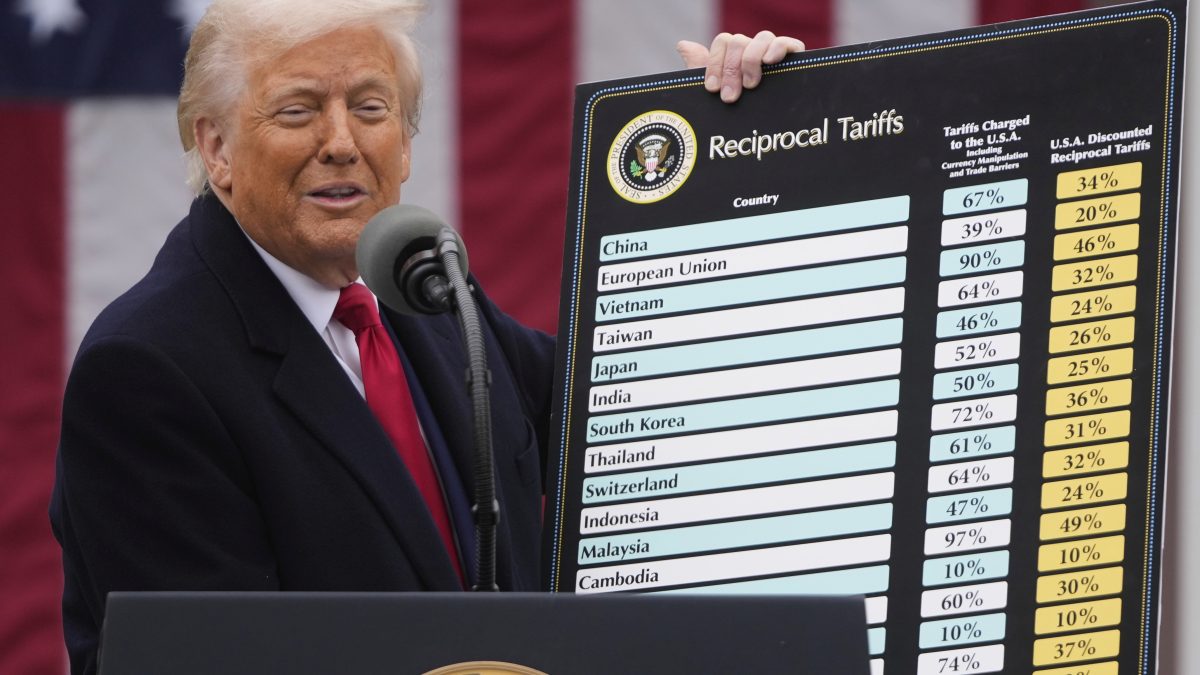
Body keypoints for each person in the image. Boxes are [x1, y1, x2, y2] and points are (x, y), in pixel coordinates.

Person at [48, 1, 804, 672]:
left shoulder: (426, 294)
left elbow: (645, 408)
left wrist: (752, 147)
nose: (341, 141)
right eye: (298, 110)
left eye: (371, 108)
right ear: (215, 150)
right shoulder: (148, 370)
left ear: (405, 146)